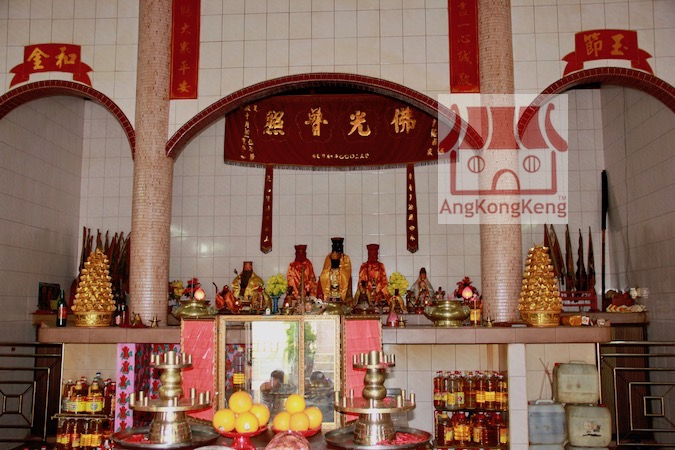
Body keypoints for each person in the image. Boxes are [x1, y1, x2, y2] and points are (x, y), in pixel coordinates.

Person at [318, 237, 352, 303]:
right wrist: (330, 273)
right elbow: (325, 271)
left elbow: (347, 273)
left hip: (341, 281)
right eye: (335, 247)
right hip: (331, 281)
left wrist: (339, 273)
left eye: (339, 247)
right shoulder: (329, 257)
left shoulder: (345, 258)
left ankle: (342, 299)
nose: (337, 249)